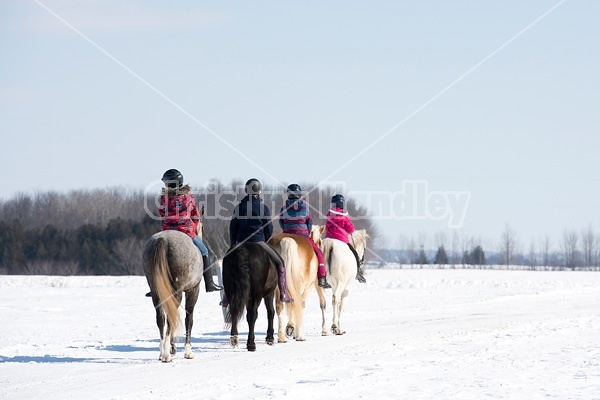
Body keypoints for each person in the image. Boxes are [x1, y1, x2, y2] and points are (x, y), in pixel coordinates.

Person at [146, 169, 222, 297]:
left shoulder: (164, 198)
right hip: (185, 231)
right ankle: (209, 283)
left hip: (167, 229)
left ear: (169, 184)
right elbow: (195, 215)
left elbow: (161, 213)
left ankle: (154, 286)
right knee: (204, 251)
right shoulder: (188, 196)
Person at [228, 178, 294, 303]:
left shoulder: (239, 207)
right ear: (259, 191)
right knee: (280, 263)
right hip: (259, 242)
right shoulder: (263, 208)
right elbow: (269, 228)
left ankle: (227, 296)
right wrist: (263, 240)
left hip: (241, 242)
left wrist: (233, 244)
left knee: (228, 263)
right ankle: (283, 293)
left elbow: (233, 228)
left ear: (246, 191)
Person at [279, 184, 331, 289]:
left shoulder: (284, 208)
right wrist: (306, 233)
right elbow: (309, 223)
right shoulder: (305, 207)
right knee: (319, 253)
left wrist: (286, 230)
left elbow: (281, 222)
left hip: (286, 234)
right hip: (302, 235)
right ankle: (321, 277)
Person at [325, 194, 366, 283]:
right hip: (341, 240)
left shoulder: (329, 214)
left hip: (328, 240)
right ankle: (358, 272)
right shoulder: (344, 216)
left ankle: (321, 275)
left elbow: (327, 225)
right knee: (354, 253)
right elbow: (351, 230)